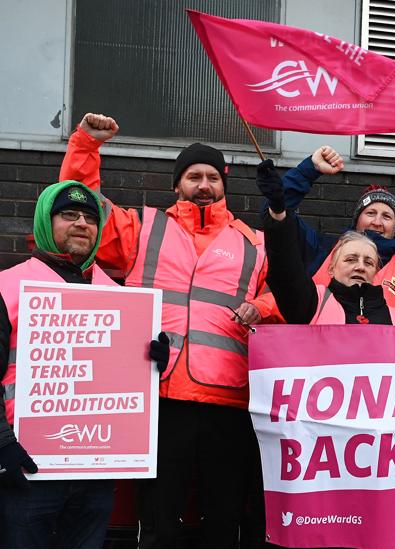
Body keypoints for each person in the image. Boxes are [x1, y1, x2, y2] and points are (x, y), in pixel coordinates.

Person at [59, 113, 271, 548]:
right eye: (194, 176)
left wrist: (262, 305)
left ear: (224, 185)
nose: (204, 184)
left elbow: (286, 298)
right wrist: (85, 146)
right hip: (159, 396)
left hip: (230, 398)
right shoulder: (144, 227)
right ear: (178, 184)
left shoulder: (254, 241)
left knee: (223, 516)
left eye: (213, 176)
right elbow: (84, 208)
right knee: (158, 517)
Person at [0, 181, 167, 549]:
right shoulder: (7, 287)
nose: (81, 224)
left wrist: (154, 364)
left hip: (94, 472)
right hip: (27, 468)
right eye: (69, 215)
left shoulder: (120, 299)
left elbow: (123, 385)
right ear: (46, 220)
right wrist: (2, 446)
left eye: (90, 218)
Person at [264, 147, 395, 322]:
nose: (377, 222)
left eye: (386, 216)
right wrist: (308, 170)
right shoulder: (322, 249)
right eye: (370, 213)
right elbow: (278, 221)